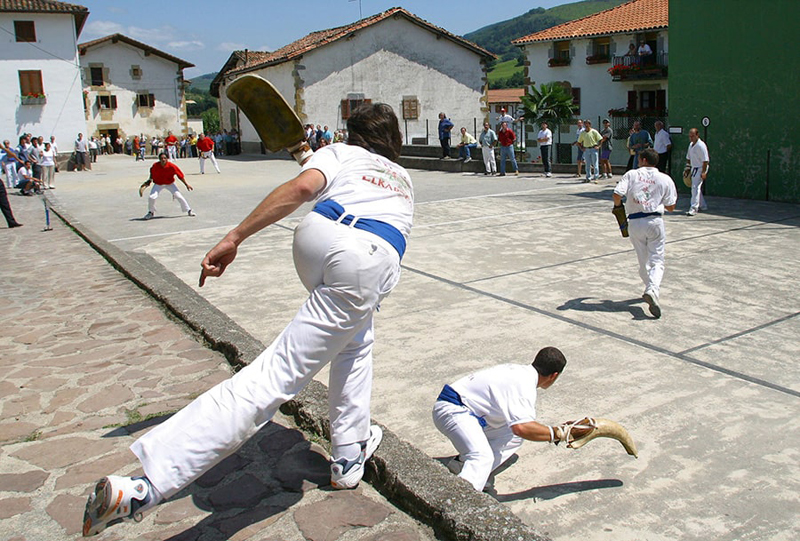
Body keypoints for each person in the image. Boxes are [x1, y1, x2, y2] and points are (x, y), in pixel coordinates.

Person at [81, 103, 413, 537]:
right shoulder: (402, 178)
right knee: (278, 374)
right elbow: (311, 185)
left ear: (352, 134)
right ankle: (146, 487)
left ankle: (349, 452)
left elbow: (302, 188)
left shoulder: (339, 153)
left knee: (354, 339)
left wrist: (235, 236)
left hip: (318, 241)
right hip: (368, 257)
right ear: (394, 141)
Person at [432, 347, 569, 492]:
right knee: (481, 457)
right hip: (453, 410)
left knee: (512, 436)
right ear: (554, 375)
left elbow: (519, 427)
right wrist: (561, 434)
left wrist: (557, 432)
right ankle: (456, 501)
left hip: (468, 412)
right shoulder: (524, 384)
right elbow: (522, 428)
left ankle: (462, 466)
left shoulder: (519, 372)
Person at [613, 148, 677, 319]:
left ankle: (651, 289)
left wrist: (618, 209)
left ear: (642, 159)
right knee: (657, 260)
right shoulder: (665, 179)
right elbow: (671, 207)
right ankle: (652, 290)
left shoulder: (632, 174)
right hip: (655, 222)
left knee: (643, 264)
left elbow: (617, 194)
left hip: (634, 222)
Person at [141, 153, 195, 220]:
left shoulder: (172, 166)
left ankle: (189, 210)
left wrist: (186, 185)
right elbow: (152, 172)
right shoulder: (155, 165)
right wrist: (149, 180)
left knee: (179, 196)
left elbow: (180, 176)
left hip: (170, 184)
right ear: (159, 159)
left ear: (167, 159)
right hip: (158, 184)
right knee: (151, 197)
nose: (163, 160)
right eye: (161, 158)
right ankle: (150, 212)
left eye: (164, 158)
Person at [684, 128, 709, 216]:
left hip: (701, 168)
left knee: (695, 187)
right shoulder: (690, 145)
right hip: (693, 168)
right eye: (690, 136)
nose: (691, 138)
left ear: (697, 135)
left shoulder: (701, 146)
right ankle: (703, 205)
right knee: (696, 187)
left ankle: (694, 208)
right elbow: (688, 159)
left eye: (693, 136)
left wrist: (703, 172)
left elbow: (705, 161)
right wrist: (687, 169)